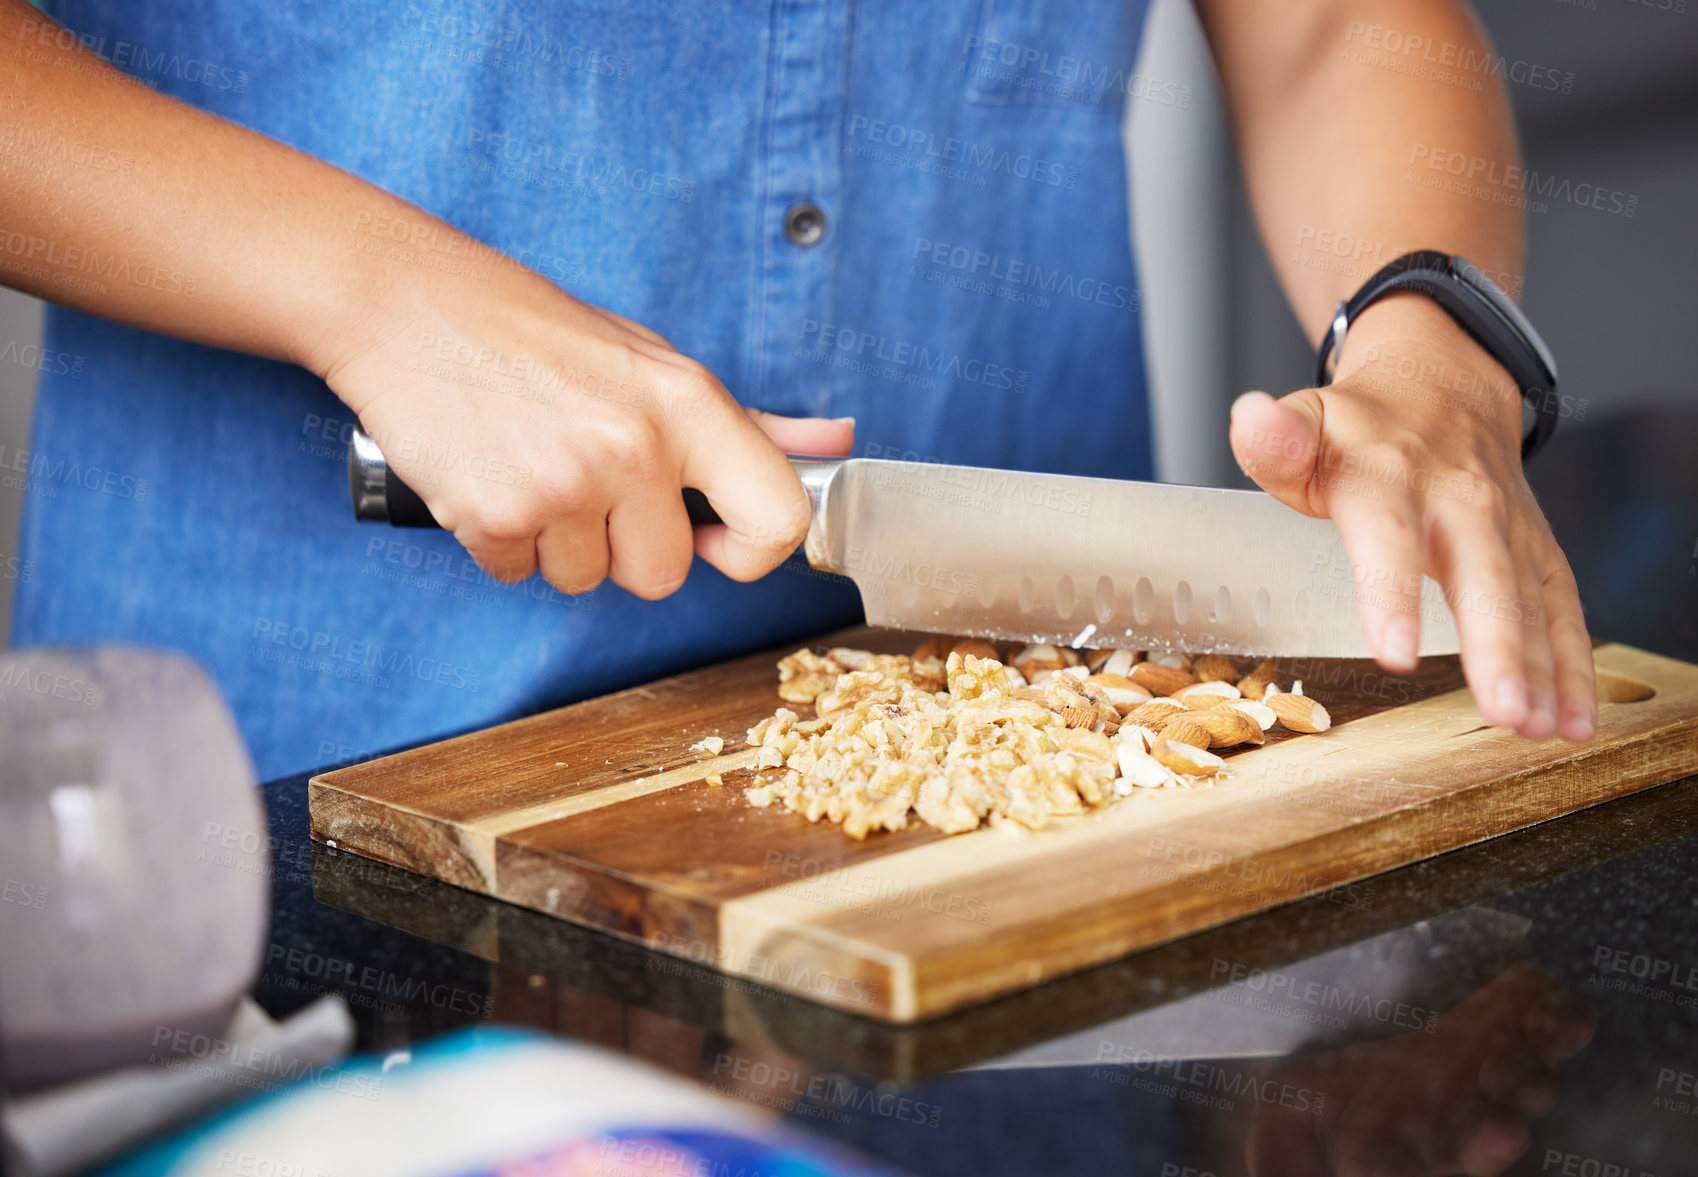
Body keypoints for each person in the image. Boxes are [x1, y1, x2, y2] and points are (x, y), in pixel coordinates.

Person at [1, 0, 1595, 783]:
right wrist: (376, 293)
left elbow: (1324, 27)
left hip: (1059, 771)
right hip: (276, 798)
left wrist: (1422, 321)